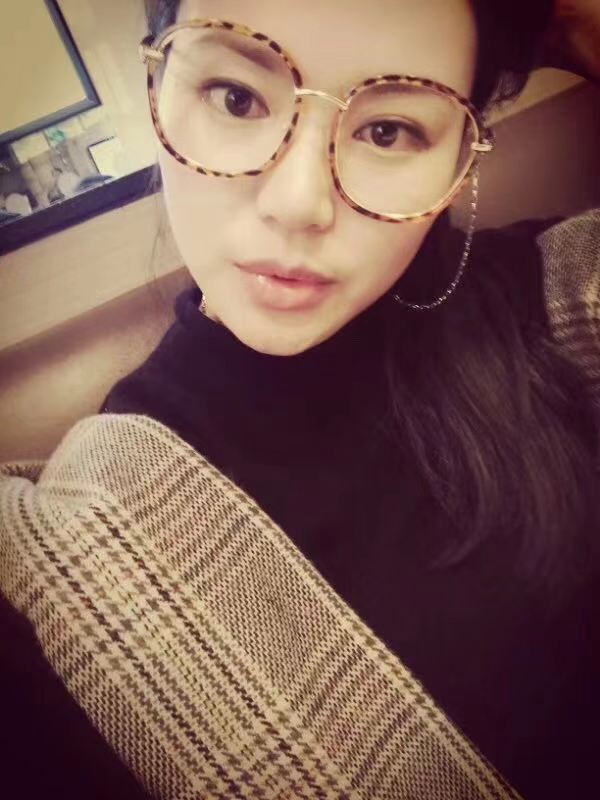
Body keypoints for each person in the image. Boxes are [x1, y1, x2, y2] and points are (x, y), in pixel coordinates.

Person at [1, 1, 598, 798]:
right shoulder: (64, 553)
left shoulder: (557, 304)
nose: (298, 202)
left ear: (461, 161)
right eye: (237, 98)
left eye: (388, 130)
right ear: (157, 95)